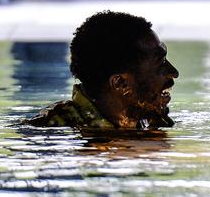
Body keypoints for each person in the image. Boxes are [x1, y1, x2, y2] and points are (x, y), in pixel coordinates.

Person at [24, 11, 179, 130]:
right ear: (120, 83)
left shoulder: (145, 119)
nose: (174, 73)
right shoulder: (55, 131)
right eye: (161, 63)